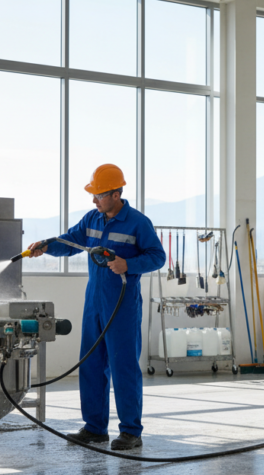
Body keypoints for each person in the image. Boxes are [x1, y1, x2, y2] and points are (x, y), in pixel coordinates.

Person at [26, 164, 164, 450]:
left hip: (122, 306)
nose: (94, 200)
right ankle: (94, 428)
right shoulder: (92, 218)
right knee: (91, 364)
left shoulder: (138, 223)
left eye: (99, 195)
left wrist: (129, 264)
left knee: (123, 366)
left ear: (116, 193)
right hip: (94, 303)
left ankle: (130, 432)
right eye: (93, 195)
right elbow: (70, 241)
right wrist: (47, 246)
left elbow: (158, 256)